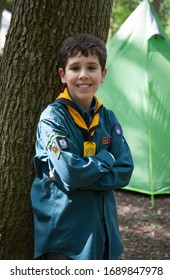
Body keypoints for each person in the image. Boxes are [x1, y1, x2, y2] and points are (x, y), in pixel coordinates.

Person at [30, 33, 134, 260]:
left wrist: (78, 177)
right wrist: (106, 160)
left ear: (103, 74)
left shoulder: (108, 118)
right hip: (66, 239)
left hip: (105, 236)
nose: (83, 75)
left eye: (92, 67)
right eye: (75, 67)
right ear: (62, 75)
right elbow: (70, 171)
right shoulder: (52, 118)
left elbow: (125, 169)